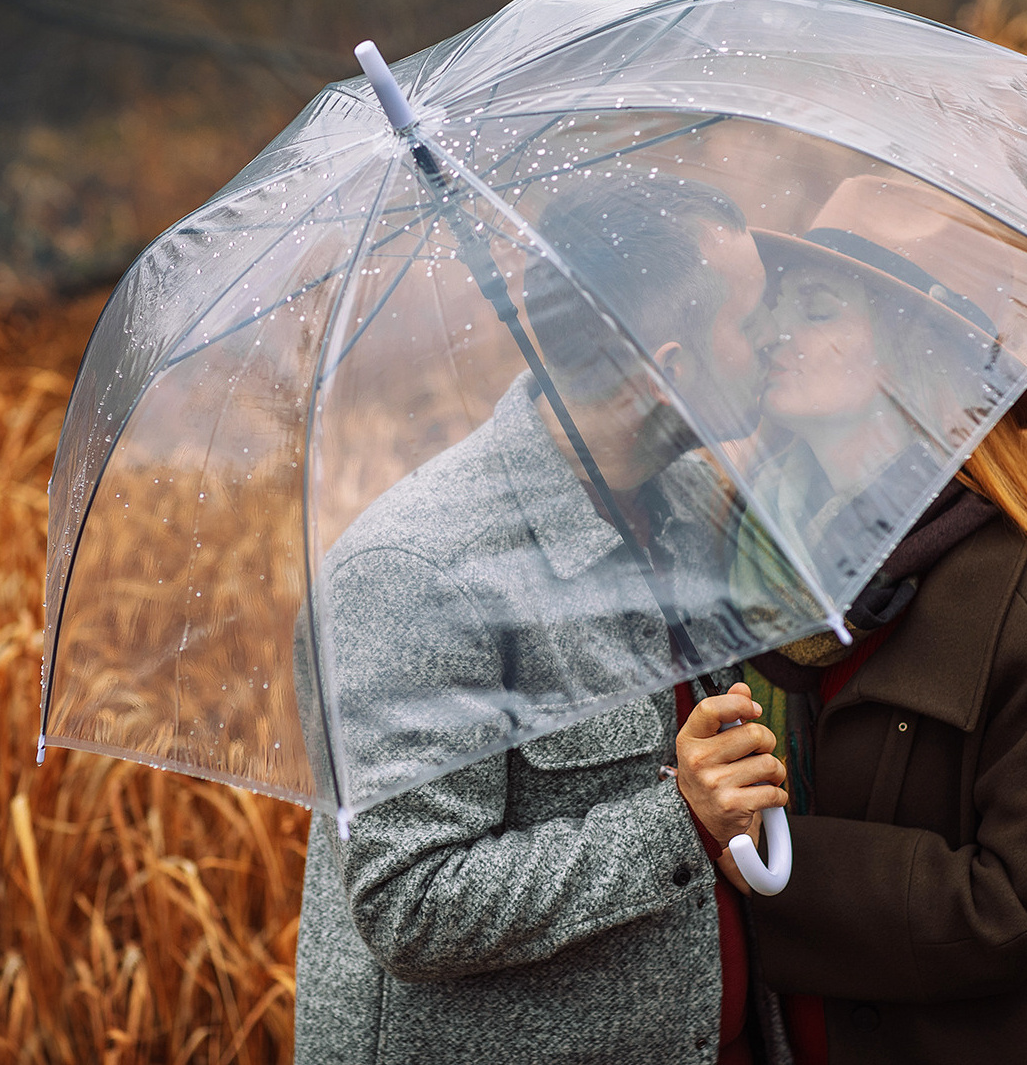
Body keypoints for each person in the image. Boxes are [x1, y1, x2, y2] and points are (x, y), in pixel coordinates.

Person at [292, 172, 789, 1065]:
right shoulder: (415, 572)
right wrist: (677, 817)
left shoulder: (683, 499)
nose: (772, 343)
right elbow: (408, 902)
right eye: (750, 325)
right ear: (671, 367)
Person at [687, 174, 1027, 1064]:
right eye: (774, 312)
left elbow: (1011, 907)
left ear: (905, 349)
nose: (772, 338)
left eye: (819, 312)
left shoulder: (1012, 585)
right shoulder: (743, 557)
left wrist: (771, 861)